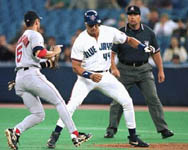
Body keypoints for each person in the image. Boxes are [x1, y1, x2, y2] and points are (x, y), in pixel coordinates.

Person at [46, 9, 155, 148]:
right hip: (86, 78)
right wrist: (89, 75)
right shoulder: (81, 40)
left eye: (96, 24)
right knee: (72, 105)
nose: (94, 27)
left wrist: (142, 47)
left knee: (127, 101)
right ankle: (54, 137)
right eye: (91, 25)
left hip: (105, 75)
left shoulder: (109, 31)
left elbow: (128, 40)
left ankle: (133, 137)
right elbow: (76, 67)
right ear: (86, 24)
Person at [4, 11, 90, 150]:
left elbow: (34, 60)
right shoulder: (35, 34)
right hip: (31, 75)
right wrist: (55, 52)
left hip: (20, 78)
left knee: (38, 114)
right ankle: (75, 135)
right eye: (39, 21)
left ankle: (15, 131)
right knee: (60, 102)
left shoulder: (21, 39)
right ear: (36, 22)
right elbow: (40, 53)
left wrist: (48, 62)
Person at [104, 5, 174, 140]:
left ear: (140, 17)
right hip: (124, 69)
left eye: (135, 14)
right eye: (130, 15)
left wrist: (161, 70)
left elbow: (156, 53)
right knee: (118, 100)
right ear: (127, 17)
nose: (132, 17)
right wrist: (114, 67)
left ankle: (163, 129)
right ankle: (111, 129)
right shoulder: (121, 33)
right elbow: (111, 54)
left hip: (144, 69)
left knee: (153, 98)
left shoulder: (149, 32)